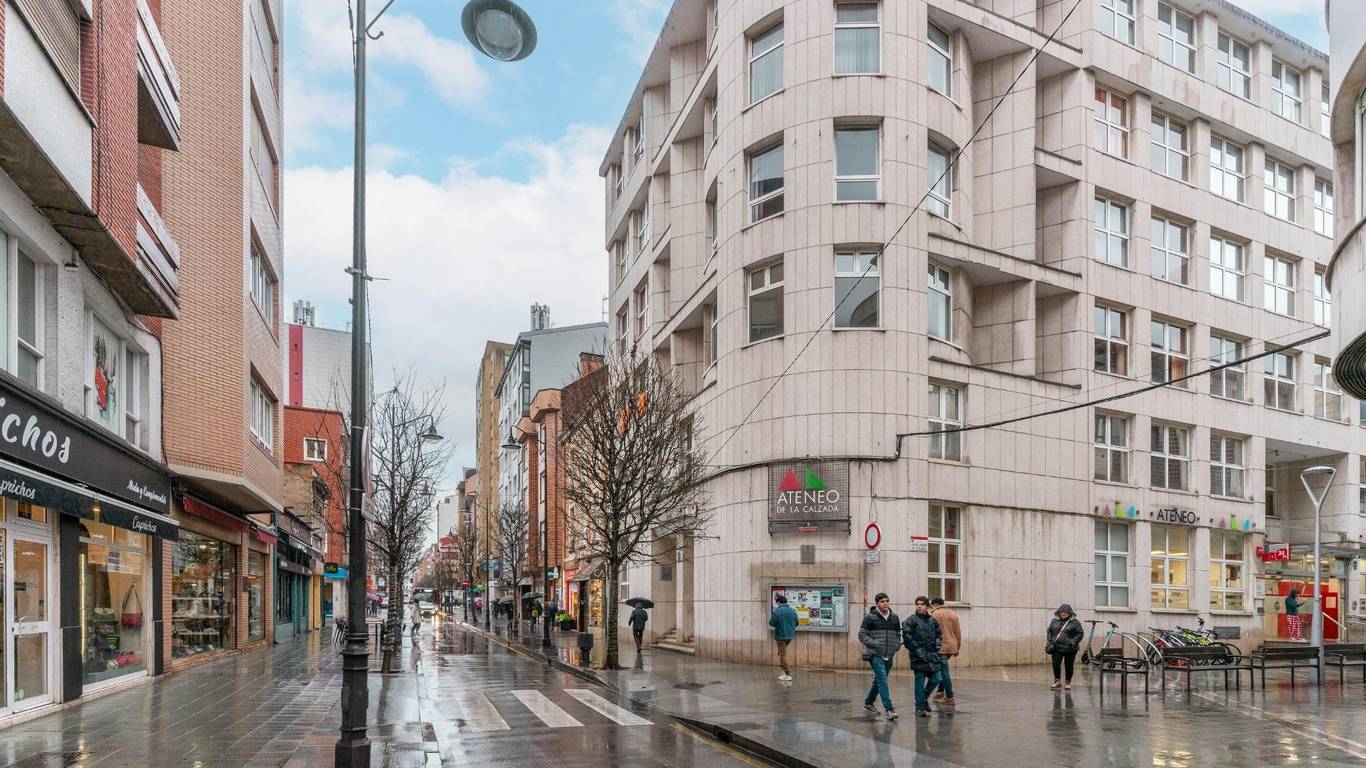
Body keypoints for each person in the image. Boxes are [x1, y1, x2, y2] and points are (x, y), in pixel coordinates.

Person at [858, 593, 902, 720]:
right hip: (875, 654)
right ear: (877, 603)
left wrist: (896, 645)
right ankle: (889, 709)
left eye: (887, 601)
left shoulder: (895, 618)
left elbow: (898, 634)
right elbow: (862, 635)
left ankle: (868, 703)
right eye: (882, 601)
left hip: (889, 654)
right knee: (882, 681)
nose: (885, 603)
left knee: (879, 680)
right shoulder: (870, 618)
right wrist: (875, 644)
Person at [902, 596, 943, 718]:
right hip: (918, 657)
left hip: (932, 655)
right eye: (917, 604)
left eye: (922, 604)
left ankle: (923, 699)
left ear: (927, 606)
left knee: (936, 678)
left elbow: (939, 634)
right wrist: (918, 650)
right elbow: (907, 638)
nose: (919, 606)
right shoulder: (911, 620)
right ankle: (919, 708)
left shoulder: (932, 620)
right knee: (919, 682)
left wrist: (937, 644)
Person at [929, 597, 960, 709]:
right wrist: (958, 647)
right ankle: (940, 691)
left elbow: (931, 632)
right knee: (942, 669)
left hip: (941, 646)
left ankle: (950, 697)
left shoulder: (934, 614)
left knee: (943, 671)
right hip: (951, 646)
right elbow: (958, 632)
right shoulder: (953, 614)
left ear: (934, 605)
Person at [1045, 603, 1085, 690]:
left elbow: (1080, 633)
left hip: (1070, 648)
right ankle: (1057, 681)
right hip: (1056, 647)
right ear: (1059, 612)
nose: (1063, 613)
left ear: (1069, 613)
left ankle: (1067, 682)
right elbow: (1049, 631)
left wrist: (1073, 642)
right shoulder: (1054, 621)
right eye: (1061, 612)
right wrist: (1049, 641)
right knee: (1055, 664)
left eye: (1065, 612)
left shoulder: (1075, 622)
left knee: (1069, 665)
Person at [768, 594, 798, 681]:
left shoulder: (777, 611)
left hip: (780, 636)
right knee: (782, 653)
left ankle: (787, 673)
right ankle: (784, 671)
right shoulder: (792, 611)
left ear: (778, 602)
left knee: (782, 655)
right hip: (790, 636)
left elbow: (771, 623)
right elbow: (797, 623)